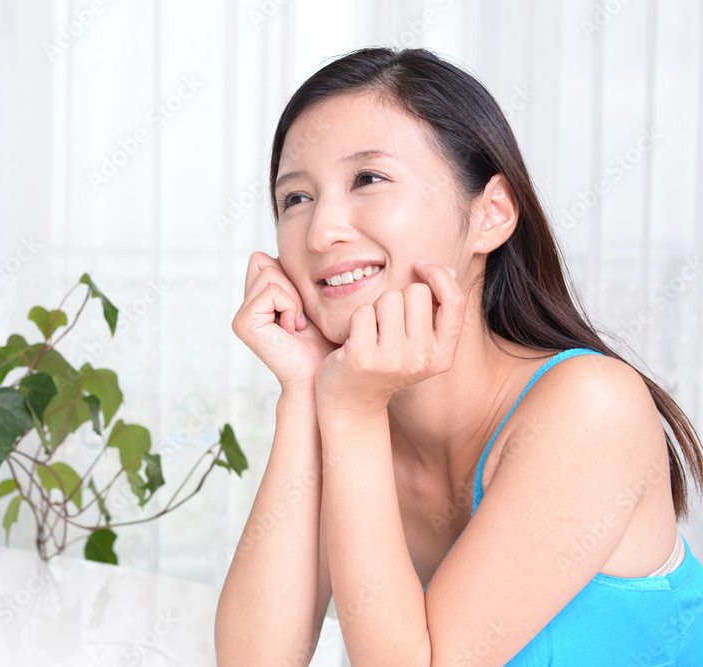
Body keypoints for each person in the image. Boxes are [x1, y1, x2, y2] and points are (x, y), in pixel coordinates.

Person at [214, 47, 703, 666]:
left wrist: (351, 416)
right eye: (296, 199)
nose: (320, 232)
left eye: (368, 179)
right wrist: (305, 392)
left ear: (490, 214)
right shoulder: (351, 409)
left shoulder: (592, 406)